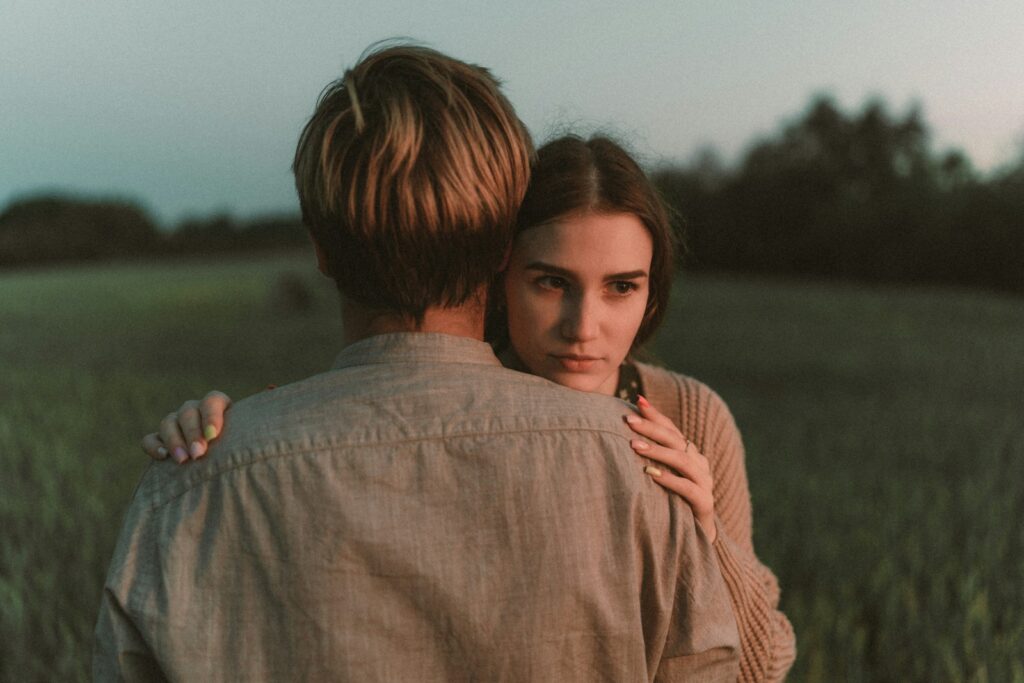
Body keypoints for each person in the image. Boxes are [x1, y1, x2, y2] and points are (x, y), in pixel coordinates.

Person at [95, 43, 742, 681]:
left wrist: (237, 446)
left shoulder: (185, 489)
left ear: (320, 249)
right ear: (502, 250)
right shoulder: (645, 475)